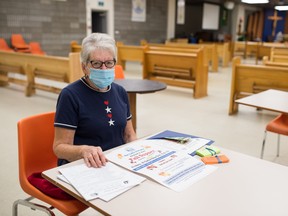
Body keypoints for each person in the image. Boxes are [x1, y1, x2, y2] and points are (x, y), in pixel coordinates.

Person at [53, 33, 137, 168]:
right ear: (84, 67)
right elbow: (59, 148)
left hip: (116, 163)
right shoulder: (70, 95)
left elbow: (129, 135)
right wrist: (83, 150)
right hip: (85, 165)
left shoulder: (120, 92)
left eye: (109, 63)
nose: (104, 69)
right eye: (96, 64)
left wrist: (139, 154)